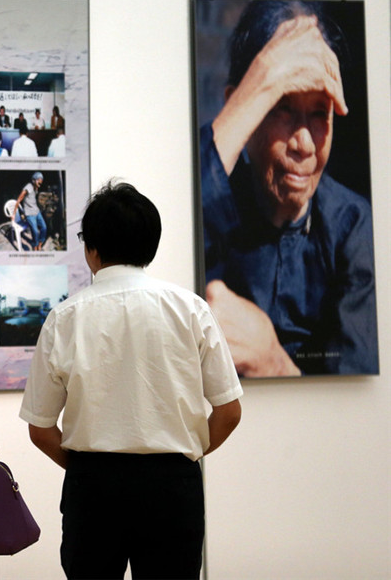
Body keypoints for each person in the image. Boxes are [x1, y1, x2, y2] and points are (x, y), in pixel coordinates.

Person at [20, 181, 243, 579]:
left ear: (91, 249)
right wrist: (182, 454)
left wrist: (88, 469)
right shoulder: (191, 310)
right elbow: (228, 411)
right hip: (173, 484)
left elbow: (40, 429)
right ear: (150, 244)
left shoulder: (65, 318)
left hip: (92, 486)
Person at [201, 0, 377, 376]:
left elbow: (359, 404)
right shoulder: (212, 205)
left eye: (319, 113)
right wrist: (264, 77)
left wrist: (273, 362)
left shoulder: (354, 227)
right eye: (281, 106)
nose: (304, 144)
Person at [12, 172, 47, 250]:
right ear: (34, 180)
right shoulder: (28, 187)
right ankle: (35, 245)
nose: (40, 181)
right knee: (35, 231)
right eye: (38, 179)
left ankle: (40, 243)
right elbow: (19, 199)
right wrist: (14, 214)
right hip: (29, 214)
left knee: (44, 227)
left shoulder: (36, 187)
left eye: (41, 179)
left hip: (36, 212)